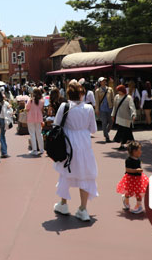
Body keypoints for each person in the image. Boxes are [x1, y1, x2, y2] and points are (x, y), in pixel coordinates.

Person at [53, 80, 98, 222]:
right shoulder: (89, 108)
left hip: (68, 142)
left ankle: (63, 204)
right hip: (84, 142)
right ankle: (83, 209)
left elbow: (56, 123)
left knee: (66, 173)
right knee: (84, 173)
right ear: (81, 94)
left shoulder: (64, 106)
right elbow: (94, 129)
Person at [116, 141, 149, 214]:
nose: (141, 152)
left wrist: (139, 171)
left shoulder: (138, 160)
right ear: (134, 151)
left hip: (138, 179)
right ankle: (126, 200)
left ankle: (139, 206)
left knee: (138, 193)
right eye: (139, 150)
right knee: (129, 192)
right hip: (130, 179)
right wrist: (136, 170)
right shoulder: (128, 160)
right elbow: (127, 169)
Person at [112, 85, 136, 150]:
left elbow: (132, 106)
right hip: (119, 117)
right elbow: (115, 107)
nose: (119, 92)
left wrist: (133, 114)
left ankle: (131, 145)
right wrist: (113, 114)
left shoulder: (129, 97)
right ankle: (122, 144)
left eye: (119, 91)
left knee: (127, 131)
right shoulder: (116, 97)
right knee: (121, 131)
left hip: (127, 118)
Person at [26, 88, 45, 156]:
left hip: (31, 118)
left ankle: (34, 150)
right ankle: (41, 149)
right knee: (39, 134)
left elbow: (27, 108)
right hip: (39, 118)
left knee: (32, 134)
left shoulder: (30, 100)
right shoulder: (42, 101)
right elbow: (42, 109)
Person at [95, 77, 114, 142]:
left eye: (105, 80)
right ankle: (107, 136)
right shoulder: (97, 91)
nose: (104, 82)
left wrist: (114, 108)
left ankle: (106, 132)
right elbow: (97, 101)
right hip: (102, 108)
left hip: (109, 107)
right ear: (100, 82)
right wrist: (97, 109)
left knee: (111, 122)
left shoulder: (110, 89)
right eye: (103, 81)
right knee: (104, 122)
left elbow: (112, 99)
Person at [0, 92, 13, 158]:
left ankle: (3, 151)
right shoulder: (6, 103)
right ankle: (4, 151)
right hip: (4, 121)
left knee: (0, 136)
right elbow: (11, 112)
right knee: (2, 135)